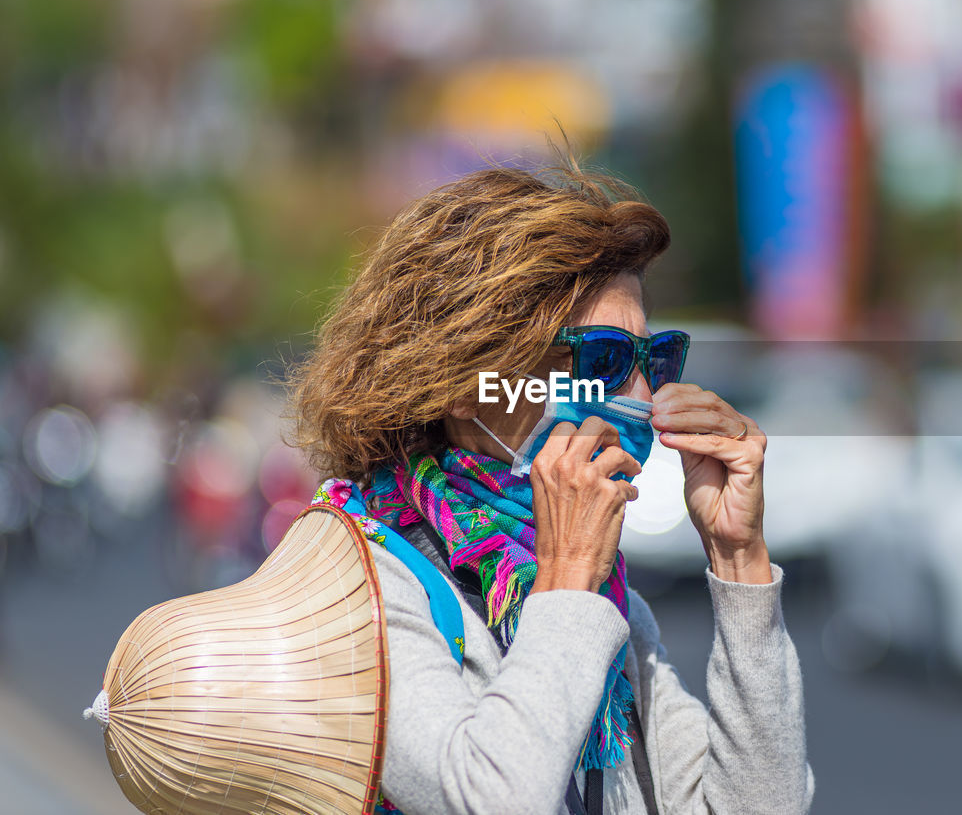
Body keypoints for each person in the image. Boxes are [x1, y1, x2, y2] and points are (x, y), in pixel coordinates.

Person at [287, 156, 815, 815]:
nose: (646, 396)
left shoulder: (605, 604)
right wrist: (567, 575)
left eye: (654, 359)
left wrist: (739, 561)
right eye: (604, 361)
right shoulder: (364, 584)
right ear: (463, 381)